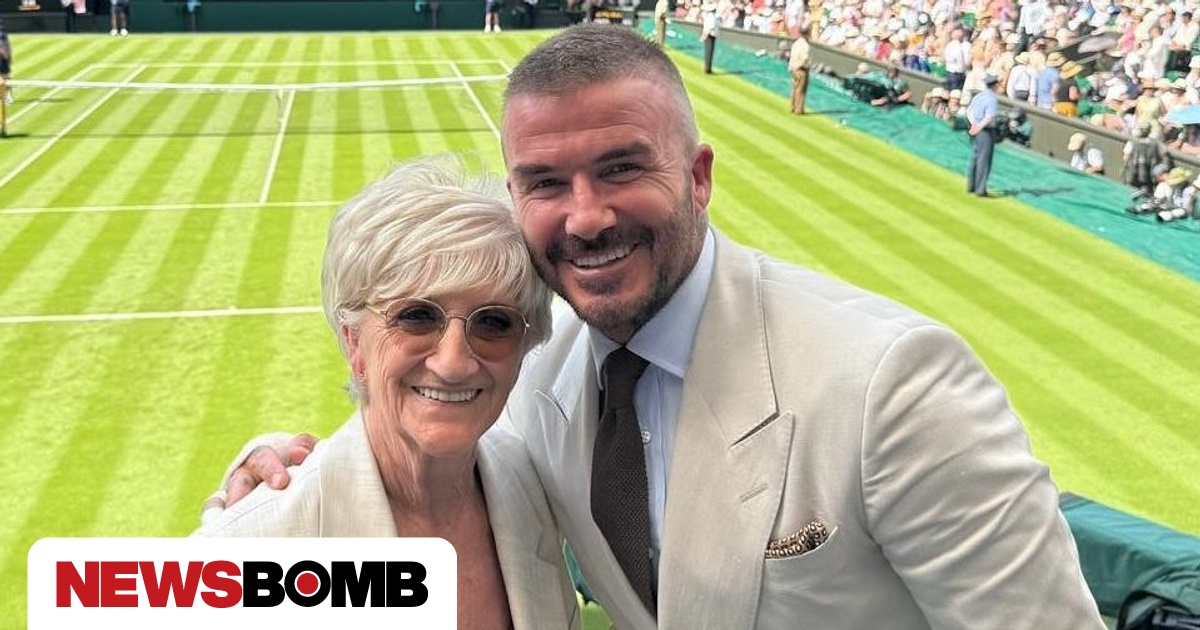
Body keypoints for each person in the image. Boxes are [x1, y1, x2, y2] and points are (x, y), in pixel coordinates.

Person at [212, 25, 1107, 630]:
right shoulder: (535, 369)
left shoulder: (894, 382)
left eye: (621, 168)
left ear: (700, 177)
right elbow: (428, 414)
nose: (586, 216)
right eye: (546, 183)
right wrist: (279, 482)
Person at [196, 156, 579, 630]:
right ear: (355, 342)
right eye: (416, 316)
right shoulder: (249, 551)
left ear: (524, 347)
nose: (453, 363)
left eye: (494, 322)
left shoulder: (530, 485)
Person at [967, 74, 1002, 197]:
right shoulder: (992, 99)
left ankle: (971, 185)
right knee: (984, 159)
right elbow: (989, 117)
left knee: (976, 157)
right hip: (985, 131)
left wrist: (974, 125)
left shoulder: (979, 96)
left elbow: (969, 111)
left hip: (976, 128)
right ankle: (980, 189)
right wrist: (978, 127)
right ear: (995, 85)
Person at [788, 32, 810, 115]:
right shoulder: (805, 45)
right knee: (800, 90)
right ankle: (798, 110)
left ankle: (792, 107)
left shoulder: (796, 43)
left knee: (795, 88)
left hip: (793, 68)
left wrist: (792, 67)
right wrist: (798, 67)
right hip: (800, 69)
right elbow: (804, 59)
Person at [700, 2, 718, 74]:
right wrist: (704, 35)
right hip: (710, 36)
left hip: (710, 35)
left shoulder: (710, 16)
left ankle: (708, 68)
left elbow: (708, 27)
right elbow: (709, 27)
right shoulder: (711, 16)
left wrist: (704, 35)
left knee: (708, 52)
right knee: (709, 52)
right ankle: (708, 68)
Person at [0, 19, 11, 106]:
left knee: (4, 76)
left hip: (2, 58)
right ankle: (6, 95)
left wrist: (6, 57)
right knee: (4, 76)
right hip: (4, 57)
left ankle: (7, 95)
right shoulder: (3, 34)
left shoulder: (2, 34)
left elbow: (5, 46)